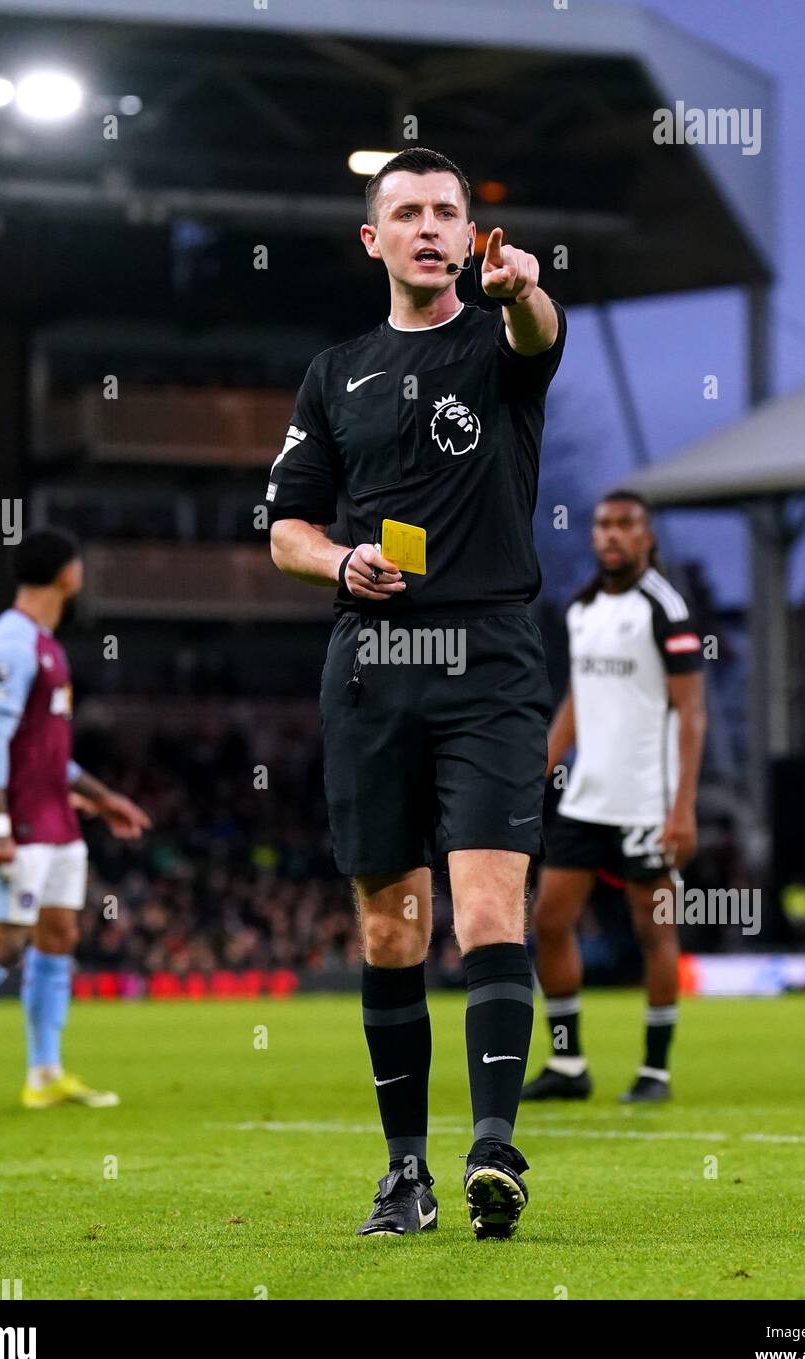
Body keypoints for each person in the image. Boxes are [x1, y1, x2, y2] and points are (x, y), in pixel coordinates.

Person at [268, 148, 566, 1238]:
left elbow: (539, 329)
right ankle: (406, 1171)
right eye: (408, 213)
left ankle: (493, 1144)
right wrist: (338, 561)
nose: (431, 227)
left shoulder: (501, 337)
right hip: (373, 663)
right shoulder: (333, 371)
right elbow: (284, 527)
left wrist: (523, 287)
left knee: (488, 903)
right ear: (374, 238)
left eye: (447, 211)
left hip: (488, 656)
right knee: (392, 928)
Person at [0, 529, 152, 1114]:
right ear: (66, 574)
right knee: (2, 941)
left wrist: (102, 796)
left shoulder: (46, 644)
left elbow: (45, 750)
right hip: (19, 822)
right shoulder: (10, 644)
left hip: (59, 821)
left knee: (59, 937)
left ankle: (44, 1073)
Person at [522, 492, 706, 1104]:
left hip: (646, 802)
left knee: (652, 932)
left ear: (647, 537)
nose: (612, 535)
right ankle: (569, 1065)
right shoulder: (583, 607)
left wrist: (681, 808)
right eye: (603, 524)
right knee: (549, 920)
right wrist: (545, 761)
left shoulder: (666, 610)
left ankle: (654, 1070)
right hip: (586, 797)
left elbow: (693, 713)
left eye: (626, 525)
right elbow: (580, 697)